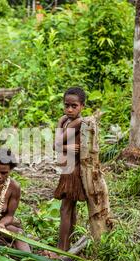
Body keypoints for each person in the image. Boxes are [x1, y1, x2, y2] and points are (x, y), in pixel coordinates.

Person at [53, 87, 87, 251]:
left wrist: (63, 146)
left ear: (82, 106)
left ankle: (62, 248)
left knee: (65, 209)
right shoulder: (66, 121)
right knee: (70, 208)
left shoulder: (78, 122)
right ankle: (66, 246)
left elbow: (57, 144)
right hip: (69, 168)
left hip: (73, 171)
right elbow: (58, 146)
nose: (69, 109)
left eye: (74, 106)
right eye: (67, 105)